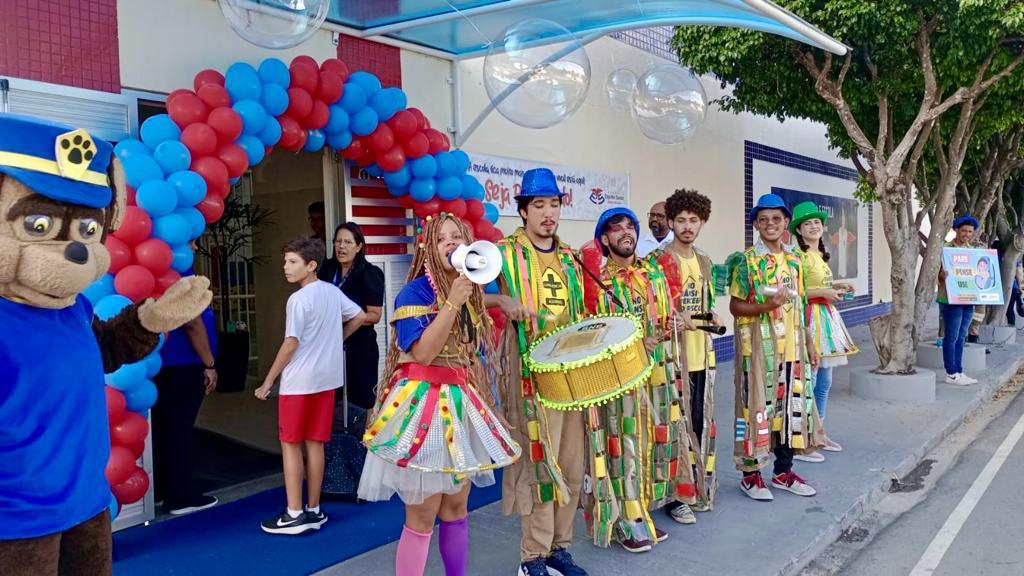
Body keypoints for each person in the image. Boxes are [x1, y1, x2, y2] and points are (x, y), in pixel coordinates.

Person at [357, 213, 521, 576]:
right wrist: (452, 303)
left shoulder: (469, 290)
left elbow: (472, 342)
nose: (450, 243)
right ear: (429, 247)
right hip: (423, 406)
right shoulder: (414, 292)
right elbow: (424, 353)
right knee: (422, 515)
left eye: (456, 237)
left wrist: (504, 300)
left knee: (456, 509)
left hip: (460, 403)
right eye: (442, 239)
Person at [494, 168, 591, 576]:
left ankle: (558, 549)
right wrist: (501, 299)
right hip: (527, 368)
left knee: (570, 460)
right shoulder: (503, 252)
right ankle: (532, 556)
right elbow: (466, 297)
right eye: (539, 205)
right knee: (538, 460)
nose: (548, 213)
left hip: (569, 369)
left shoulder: (570, 257)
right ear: (523, 211)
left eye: (554, 204)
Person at [582, 207, 694, 553]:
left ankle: (641, 512)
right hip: (619, 375)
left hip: (657, 370)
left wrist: (674, 322)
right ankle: (623, 521)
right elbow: (592, 332)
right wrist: (632, 343)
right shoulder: (598, 282)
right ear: (605, 239)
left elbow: (665, 314)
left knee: (649, 442)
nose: (626, 232)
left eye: (630, 226)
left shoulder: (653, 275)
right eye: (616, 229)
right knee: (621, 443)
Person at [254, 238, 366, 535]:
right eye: (286, 261)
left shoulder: (298, 299)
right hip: (326, 380)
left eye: (292, 262)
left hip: (299, 382)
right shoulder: (331, 291)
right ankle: (313, 510)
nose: (285, 268)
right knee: (315, 444)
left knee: (290, 445)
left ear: (311, 265)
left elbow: (291, 342)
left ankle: (293, 514)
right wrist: (337, 339)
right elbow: (360, 316)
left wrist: (268, 381)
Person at [728, 194, 822, 502]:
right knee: (754, 410)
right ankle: (750, 475)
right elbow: (735, 306)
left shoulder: (795, 260)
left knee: (790, 411)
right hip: (758, 350)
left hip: (793, 349)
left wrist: (809, 342)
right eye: (764, 219)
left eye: (777, 219)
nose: (770, 224)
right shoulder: (746, 261)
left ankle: (783, 471)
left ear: (785, 224)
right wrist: (767, 306)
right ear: (755, 223)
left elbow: (802, 302)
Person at [658, 188, 721, 521]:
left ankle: (697, 485)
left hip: (702, 359)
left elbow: (706, 308)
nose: (686, 226)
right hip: (672, 361)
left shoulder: (705, 262)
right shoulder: (659, 262)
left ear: (702, 222)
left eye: (693, 220)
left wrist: (711, 319)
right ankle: (675, 498)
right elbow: (658, 315)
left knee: (698, 423)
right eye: (680, 220)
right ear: (670, 222)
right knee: (674, 429)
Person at [790, 202, 858, 455]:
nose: (813, 226)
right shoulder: (798, 257)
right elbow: (795, 292)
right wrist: (826, 292)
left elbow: (820, 286)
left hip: (825, 319)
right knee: (812, 377)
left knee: (825, 381)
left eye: (816, 222)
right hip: (809, 320)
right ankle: (806, 437)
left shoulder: (819, 255)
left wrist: (841, 286)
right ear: (799, 230)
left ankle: (820, 431)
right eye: (807, 223)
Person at [152, 297, 220, 516]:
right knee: (178, 431)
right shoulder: (179, 276)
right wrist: (209, 363)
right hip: (184, 364)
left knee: (164, 430)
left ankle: (161, 491)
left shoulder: (158, 276)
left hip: (160, 365)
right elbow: (191, 322)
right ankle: (179, 496)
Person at [319, 222, 386, 409]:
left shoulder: (370, 273)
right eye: (338, 241)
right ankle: (336, 438)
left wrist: (344, 317)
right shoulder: (327, 269)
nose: (341, 246)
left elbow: (374, 315)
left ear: (358, 247)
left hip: (360, 347)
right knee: (332, 399)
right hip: (329, 346)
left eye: (348, 242)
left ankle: (364, 438)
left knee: (362, 400)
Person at [937, 215, 980, 385]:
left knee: (962, 337)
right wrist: (941, 275)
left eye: (970, 231)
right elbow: (935, 272)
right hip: (949, 299)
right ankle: (951, 373)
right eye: (964, 231)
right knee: (951, 336)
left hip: (967, 300)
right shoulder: (945, 250)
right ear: (956, 230)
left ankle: (959, 371)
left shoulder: (972, 251)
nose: (967, 234)